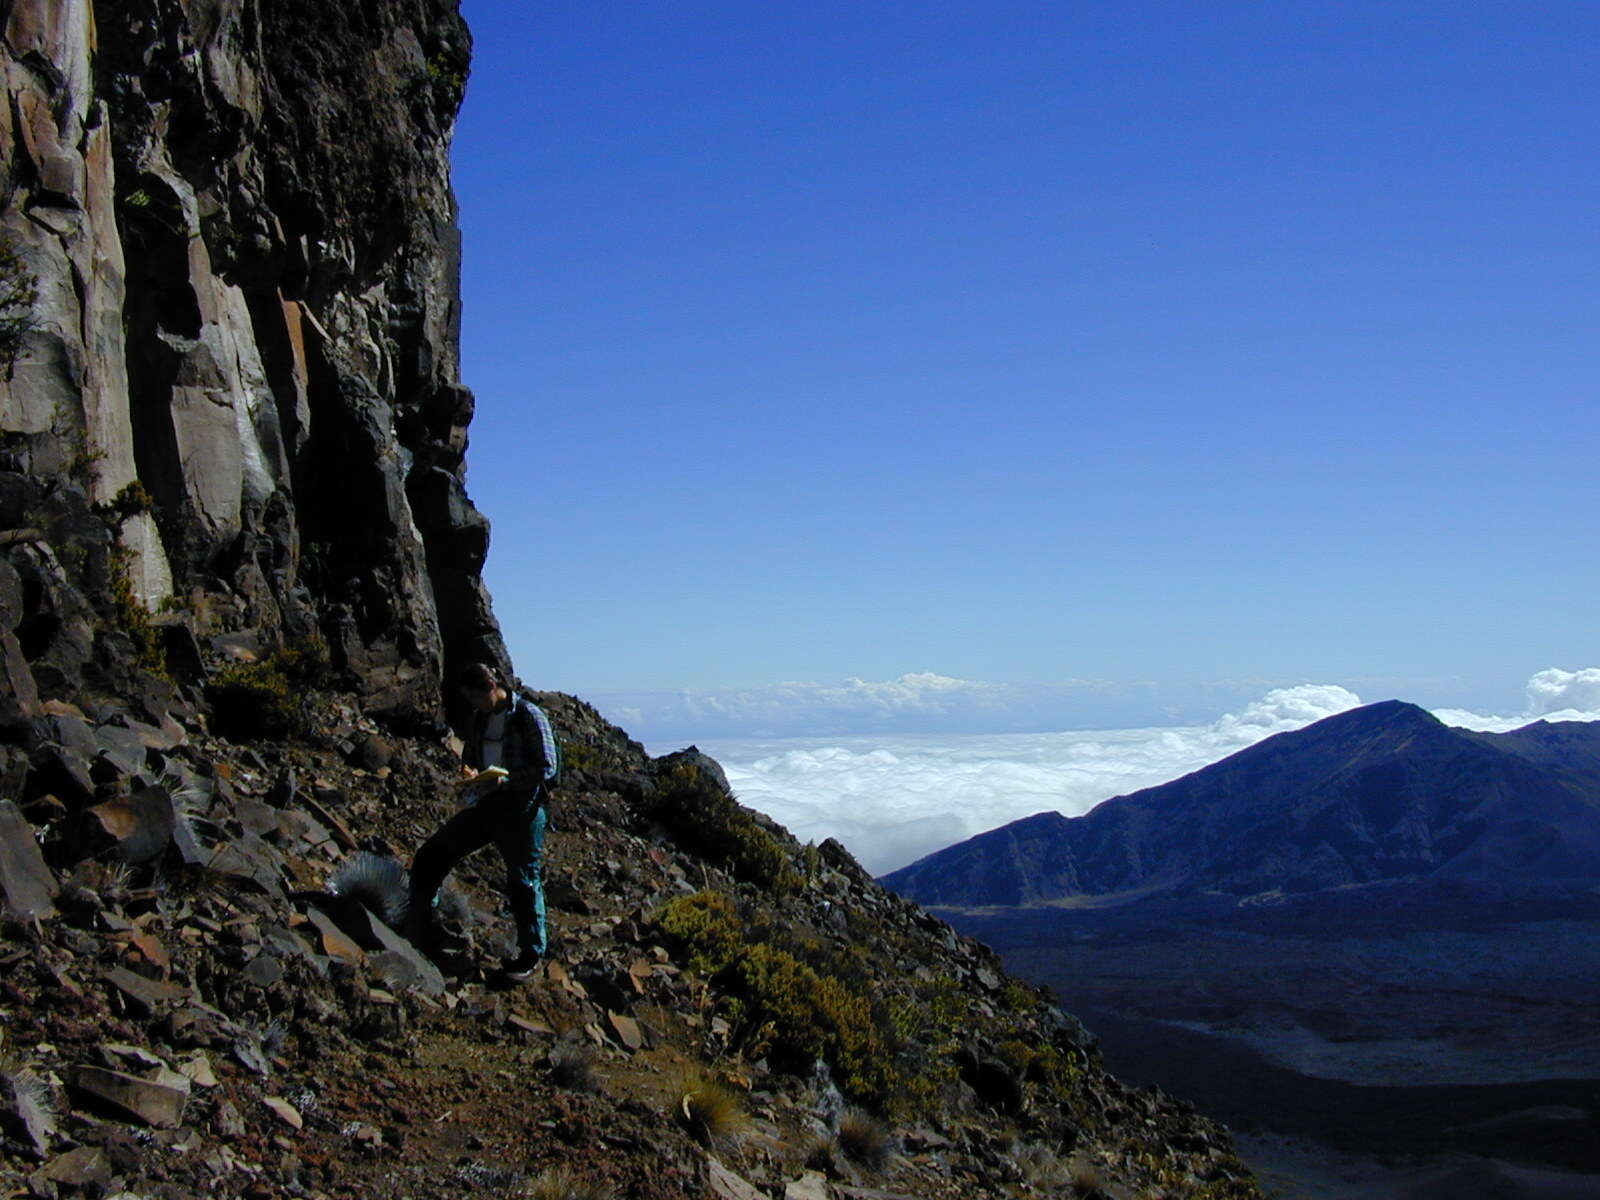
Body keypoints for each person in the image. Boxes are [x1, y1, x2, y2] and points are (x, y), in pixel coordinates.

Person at [408, 662, 560, 981]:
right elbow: (471, 760)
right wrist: (470, 779)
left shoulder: (528, 716)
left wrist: (506, 781)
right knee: (434, 853)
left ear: (491, 688)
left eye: (476, 698)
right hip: (487, 805)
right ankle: (422, 920)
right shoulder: (480, 719)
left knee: (523, 880)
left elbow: (547, 768)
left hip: (522, 810)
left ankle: (531, 954)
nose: (474, 706)